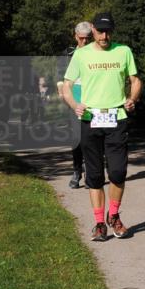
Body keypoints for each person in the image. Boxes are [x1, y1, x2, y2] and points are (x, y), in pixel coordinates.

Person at [61, 12, 142, 241]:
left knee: (117, 171)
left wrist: (132, 99)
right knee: (94, 175)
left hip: (117, 117)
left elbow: (135, 81)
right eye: (99, 31)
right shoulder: (81, 54)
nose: (104, 36)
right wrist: (74, 104)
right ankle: (99, 223)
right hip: (90, 119)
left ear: (112, 31)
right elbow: (67, 85)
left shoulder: (123, 51)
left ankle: (114, 216)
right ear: (93, 31)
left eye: (107, 31)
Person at [57, 21, 93, 188]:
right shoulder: (68, 54)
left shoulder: (97, 53)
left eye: (87, 38)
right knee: (76, 139)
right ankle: (77, 170)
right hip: (73, 101)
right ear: (75, 37)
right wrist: (61, 92)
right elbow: (60, 76)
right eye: (81, 38)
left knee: (91, 139)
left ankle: (90, 172)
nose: (84, 42)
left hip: (92, 100)